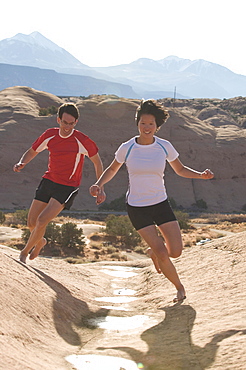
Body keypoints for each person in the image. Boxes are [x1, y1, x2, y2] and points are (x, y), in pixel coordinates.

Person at [90, 99, 214, 302]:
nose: (146, 128)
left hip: (160, 204)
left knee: (175, 252)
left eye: (151, 124)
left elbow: (180, 169)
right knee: (163, 253)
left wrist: (201, 175)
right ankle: (179, 288)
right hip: (137, 208)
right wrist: (99, 184)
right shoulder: (127, 147)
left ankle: (153, 252)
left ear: (157, 126)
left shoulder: (164, 147)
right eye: (143, 123)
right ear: (137, 124)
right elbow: (113, 169)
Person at [13, 103, 105, 263]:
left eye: (71, 123)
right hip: (49, 180)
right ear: (58, 120)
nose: (67, 127)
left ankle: (24, 252)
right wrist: (22, 162)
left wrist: (100, 187)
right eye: (64, 122)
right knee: (31, 223)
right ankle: (40, 241)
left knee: (42, 220)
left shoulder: (82, 140)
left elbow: (98, 162)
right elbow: (32, 151)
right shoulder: (50, 135)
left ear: (76, 122)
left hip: (68, 186)